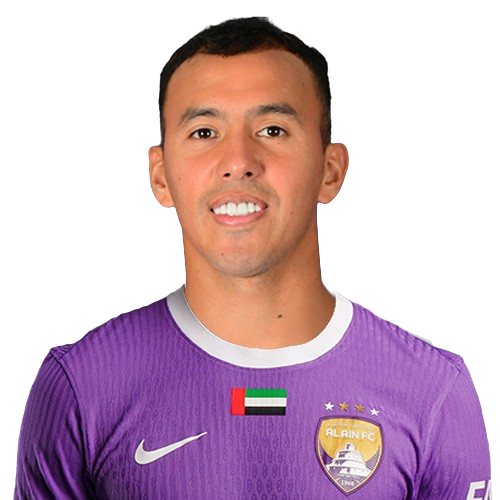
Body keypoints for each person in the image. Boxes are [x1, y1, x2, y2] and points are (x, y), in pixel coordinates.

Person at [15, 17, 491, 499]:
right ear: (160, 177)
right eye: (204, 132)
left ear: (330, 171)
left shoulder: (433, 389)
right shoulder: (81, 384)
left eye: (272, 129)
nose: (238, 161)